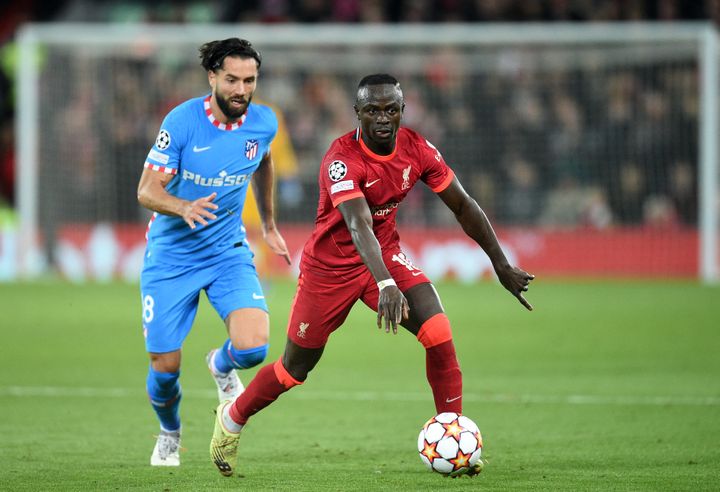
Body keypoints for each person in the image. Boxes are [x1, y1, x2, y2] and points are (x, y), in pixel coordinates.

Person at [209, 73, 534, 477]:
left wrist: (501, 265)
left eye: (391, 109)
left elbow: (464, 205)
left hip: (387, 256)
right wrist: (385, 284)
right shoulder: (341, 158)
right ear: (357, 113)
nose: (383, 118)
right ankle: (232, 418)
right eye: (373, 110)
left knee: (439, 332)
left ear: (402, 111)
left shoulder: (418, 149)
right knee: (295, 369)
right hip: (329, 271)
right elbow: (359, 224)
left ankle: (454, 437)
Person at [136, 38, 291, 467]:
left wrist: (270, 225)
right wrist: (183, 206)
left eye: (249, 80)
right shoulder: (182, 121)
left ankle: (220, 365)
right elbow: (146, 190)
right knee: (164, 369)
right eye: (232, 80)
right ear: (212, 78)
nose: (241, 89)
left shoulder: (263, 124)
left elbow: (263, 162)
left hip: (226, 250)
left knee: (254, 347)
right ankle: (169, 433)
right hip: (171, 257)